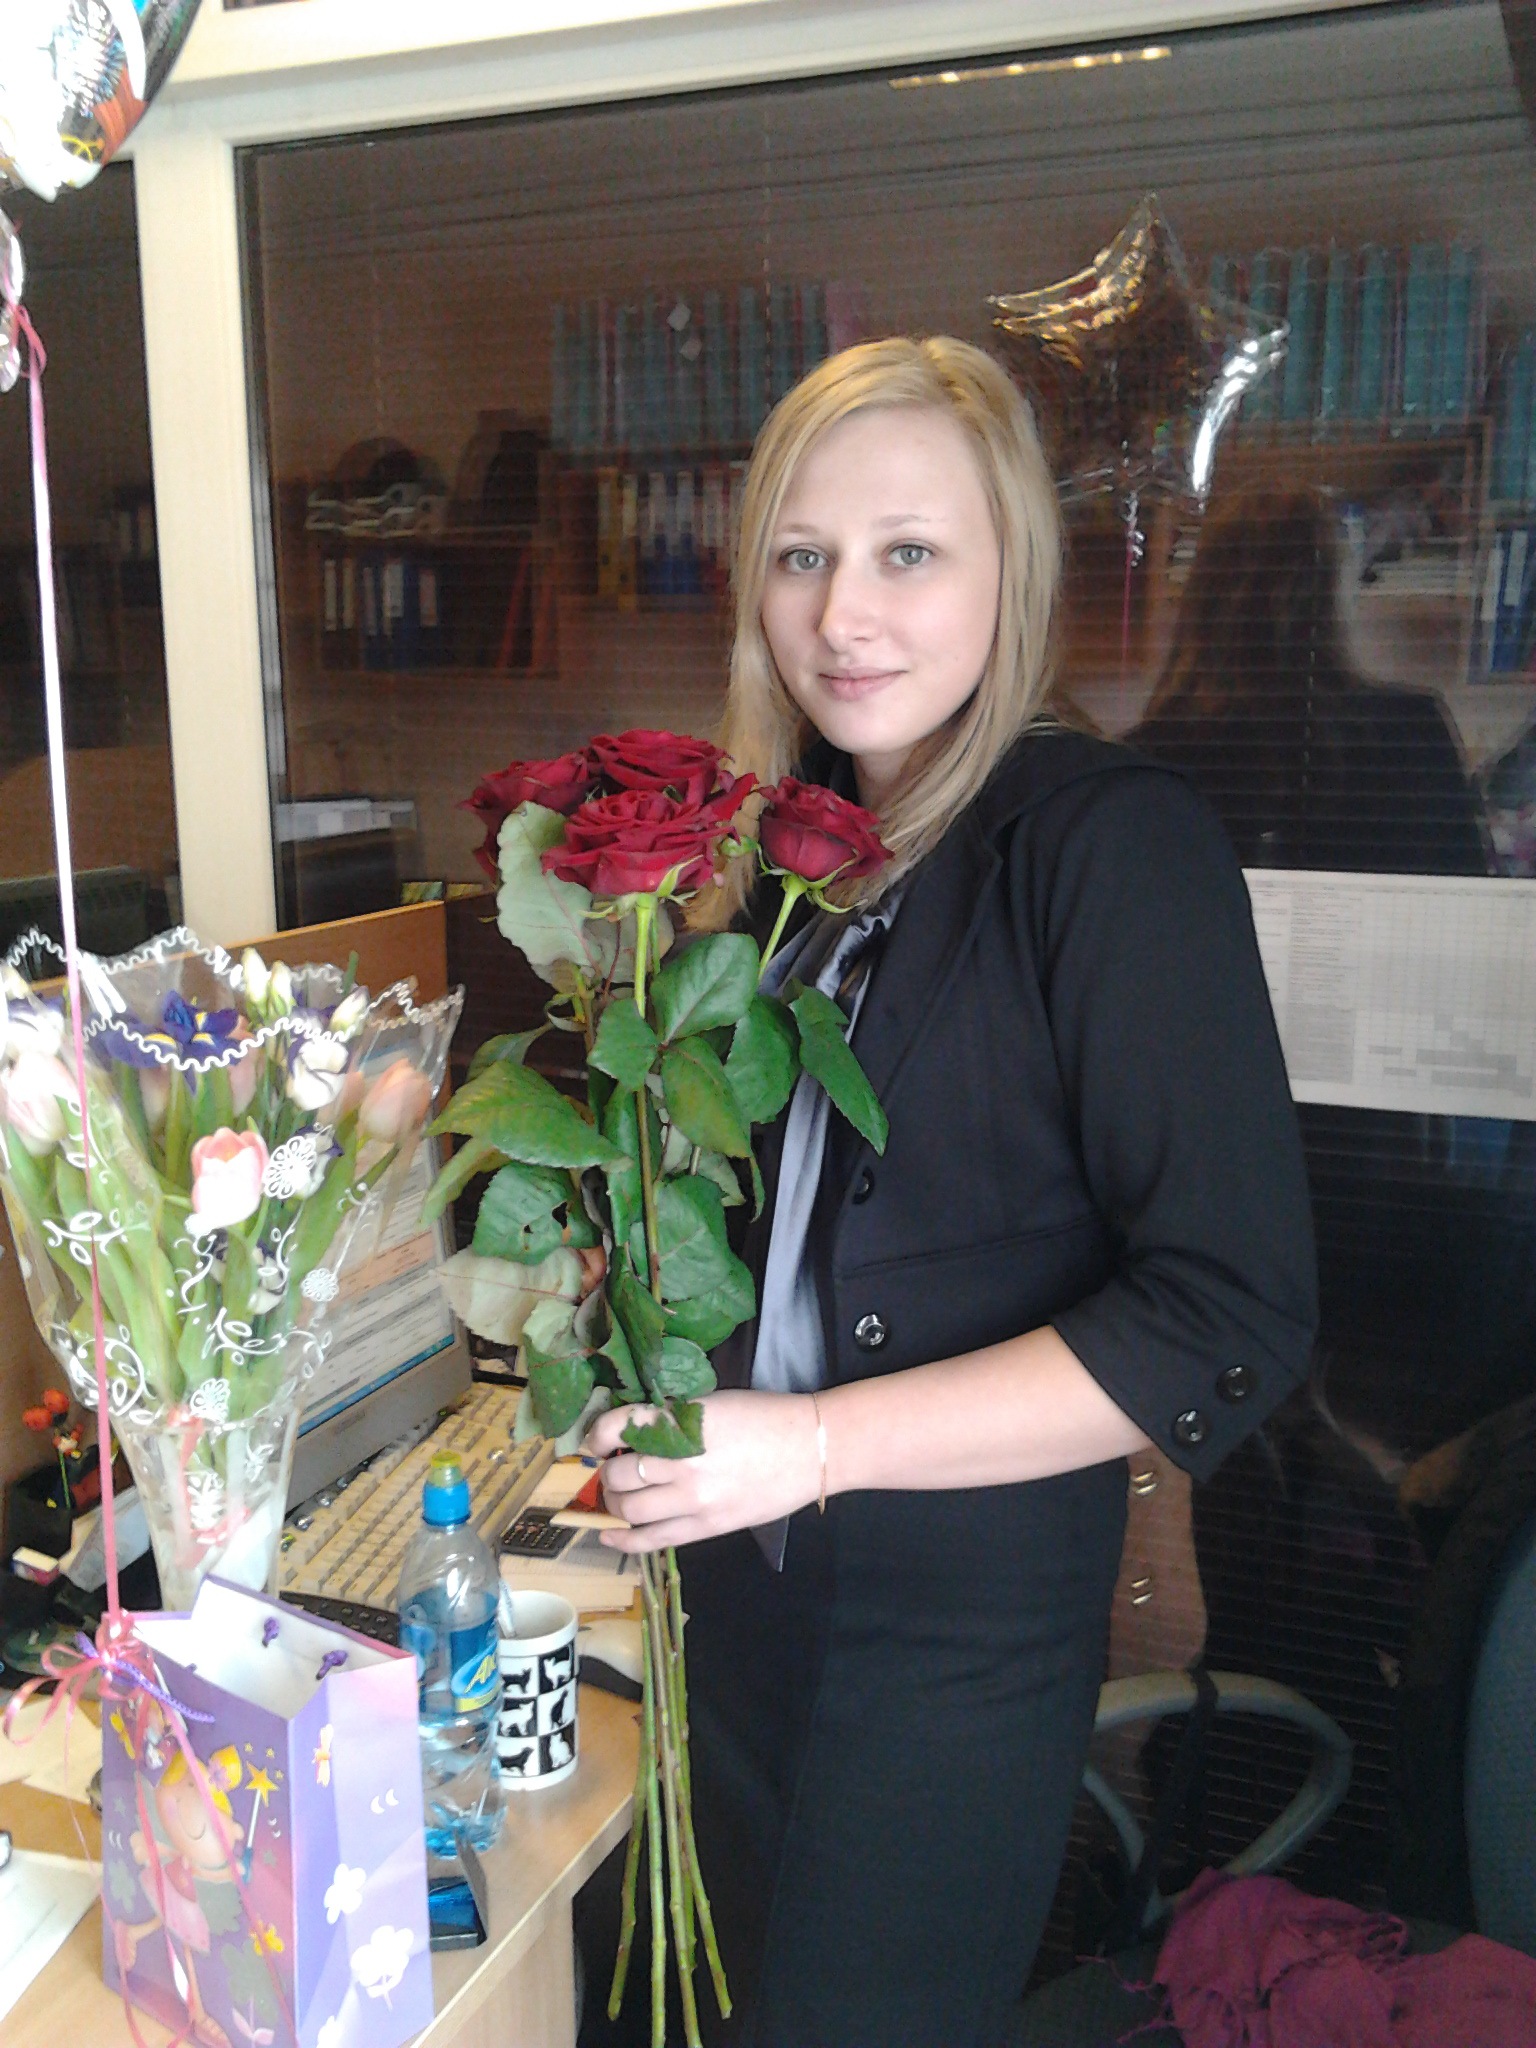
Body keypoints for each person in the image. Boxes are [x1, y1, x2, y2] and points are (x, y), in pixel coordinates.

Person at [585, 337, 1318, 2048]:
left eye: (908, 551)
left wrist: (813, 1442)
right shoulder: (792, 868)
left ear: (1012, 572)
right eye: (801, 554)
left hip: (938, 1663)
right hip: (730, 1605)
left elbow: (1228, 1307)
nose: (844, 612)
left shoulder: (1108, 843)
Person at [1131, 485, 1488, 876]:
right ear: (1332, 597)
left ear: (1201, 598)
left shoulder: (1145, 760)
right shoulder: (1411, 731)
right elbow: (1469, 892)